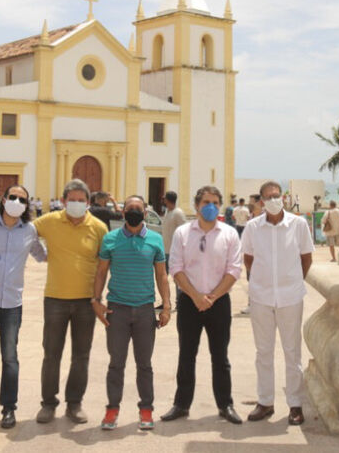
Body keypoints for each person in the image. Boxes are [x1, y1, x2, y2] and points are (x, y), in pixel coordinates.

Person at [161, 185, 243, 425]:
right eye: (206, 202)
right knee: (187, 354)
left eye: (216, 202)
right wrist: (196, 296)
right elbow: (175, 268)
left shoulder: (229, 233)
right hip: (189, 302)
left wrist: (212, 297)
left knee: (220, 356)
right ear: (196, 205)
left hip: (219, 303)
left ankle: (225, 405)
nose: (211, 206)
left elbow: (234, 269)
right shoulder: (183, 233)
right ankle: (181, 404)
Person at [0, 185, 47, 429]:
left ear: (27, 205)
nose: (16, 201)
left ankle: (9, 408)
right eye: (12, 197)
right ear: (2, 200)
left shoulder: (30, 231)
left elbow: (42, 255)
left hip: (12, 303)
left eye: (21, 199)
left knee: (10, 357)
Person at [33, 179, 108, 424]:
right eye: (71, 200)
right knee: (51, 354)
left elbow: (105, 265)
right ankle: (48, 403)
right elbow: (23, 230)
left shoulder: (98, 228)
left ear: (88, 202)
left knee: (81, 355)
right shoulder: (50, 221)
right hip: (55, 299)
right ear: (63, 201)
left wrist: (100, 298)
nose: (76, 204)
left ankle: (74, 403)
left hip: (86, 302)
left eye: (81, 200)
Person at [93, 195, 170, 431]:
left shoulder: (155, 240)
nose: (134, 211)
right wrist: (96, 301)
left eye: (138, 208)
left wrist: (166, 306)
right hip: (118, 309)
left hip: (146, 310)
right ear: (122, 212)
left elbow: (161, 276)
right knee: (116, 363)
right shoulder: (110, 239)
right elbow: (101, 272)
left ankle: (146, 409)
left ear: (145, 213)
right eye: (129, 208)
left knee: (144, 364)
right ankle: (112, 410)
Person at [242, 181, 314, 425]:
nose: (274, 199)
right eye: (268, 197)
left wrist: (291, 280)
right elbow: (249, 259)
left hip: (290, 297)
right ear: (261, 201)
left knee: (292, 352)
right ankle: (265, 402)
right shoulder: (253, 227)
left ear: (282, 197)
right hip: (261, 297)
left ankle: (295, 404)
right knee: (263, 351)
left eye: (277, 195)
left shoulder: (298, 224)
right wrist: (263, 282)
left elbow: (306, 257)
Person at [160, 191, 187, 268]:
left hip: (174, 251)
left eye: (164, 198)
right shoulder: (167, 212)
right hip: (165, 250)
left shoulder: (178, 213)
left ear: (167, 200)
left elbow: (184, 231)